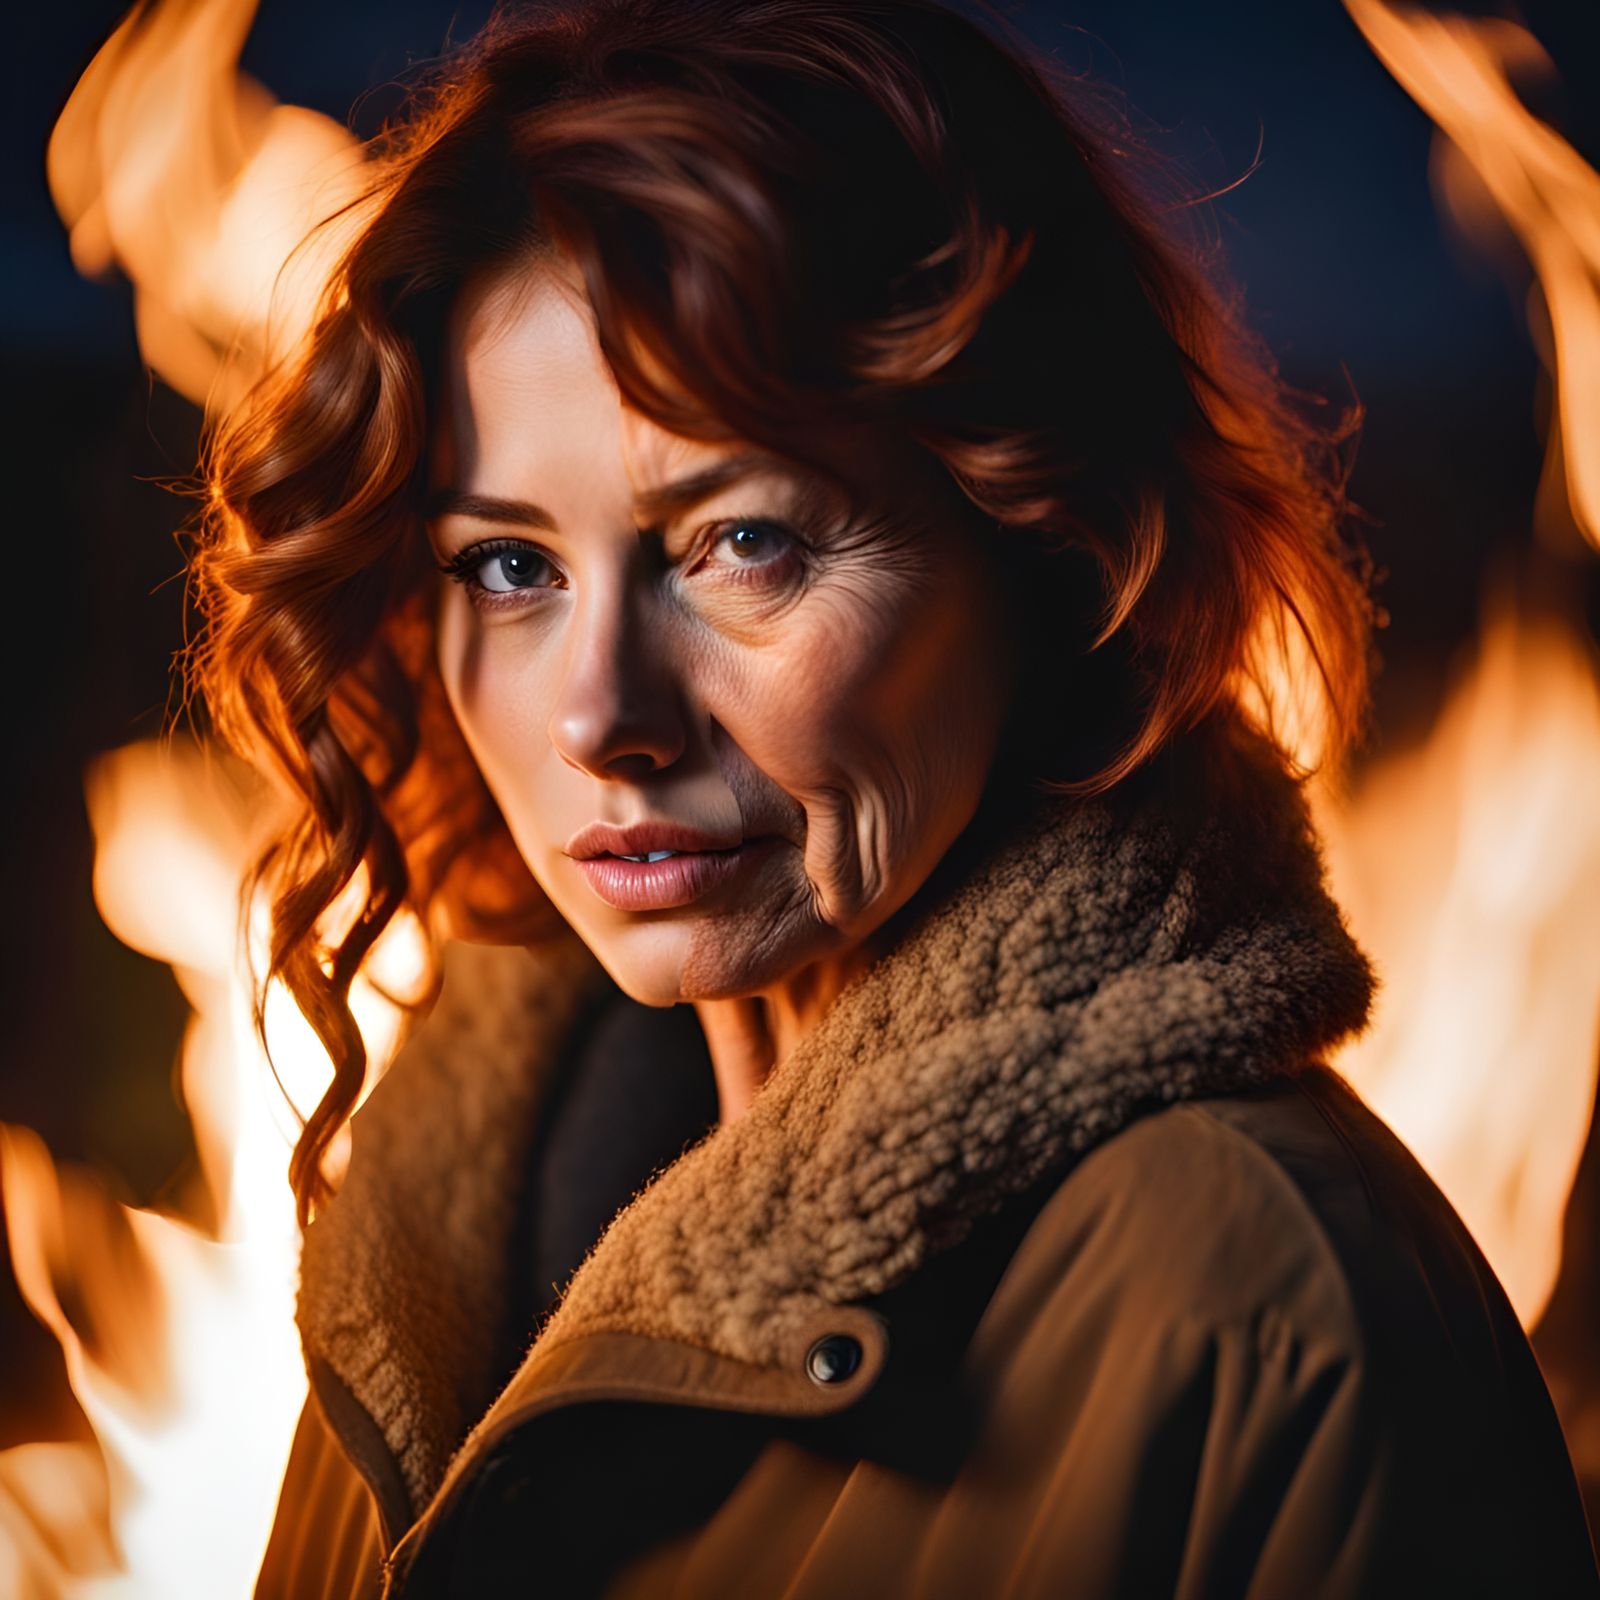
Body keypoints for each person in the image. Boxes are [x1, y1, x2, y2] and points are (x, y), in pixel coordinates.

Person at [189, 1, 1600, 1594]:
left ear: (1049, 547)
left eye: (745, 544)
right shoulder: (419, 1266)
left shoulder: (1281, 1317)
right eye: (508, 565)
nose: (598, 714)